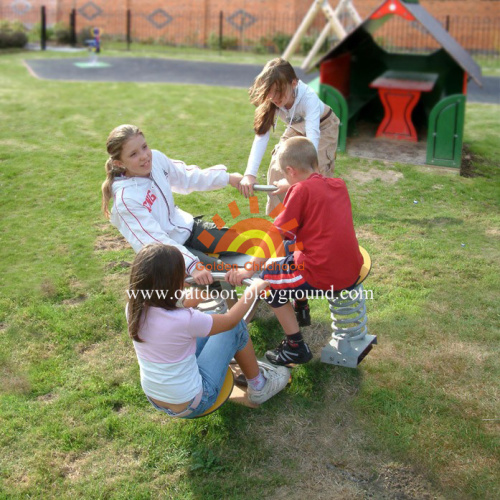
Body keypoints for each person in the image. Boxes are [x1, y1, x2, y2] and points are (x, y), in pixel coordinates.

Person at [227, 137, 363, 366]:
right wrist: (291, 186)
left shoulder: (300, 192)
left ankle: (295, 346)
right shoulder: (338, 184)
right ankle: (301, 307)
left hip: (325, 274)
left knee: (267, 279)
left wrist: (247, 270)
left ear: (289, 170)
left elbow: (275, 234)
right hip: (350, 266)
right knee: (291, 248)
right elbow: (311, 189)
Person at [127, 244, 290, 417]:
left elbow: (175, 305)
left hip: (156, 398)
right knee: (236, 327)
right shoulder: (184, 320)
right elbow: (230, 321)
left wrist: (203, 290)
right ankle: (260, 386)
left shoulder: (134, 308)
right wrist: (253, 290)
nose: (186, 278)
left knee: (212, 315)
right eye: (182, 275)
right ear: (171, 282)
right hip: (194, 402)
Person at [101, 124, 242, 287]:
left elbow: (188, 177)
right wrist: (192, 265)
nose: (144, 156)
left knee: (242, 243)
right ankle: (224, 308)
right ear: (119, 163)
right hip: (169, 255)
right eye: (133, 154)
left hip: (188, 228)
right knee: (223, 277)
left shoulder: (156, 159)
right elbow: (155, 241)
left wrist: (227, 178)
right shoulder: (126, 201)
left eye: (144, 147)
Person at [238, 58, 340, 214]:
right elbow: (261, 137)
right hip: (297, 126)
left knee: (315, 169)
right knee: (277, 163)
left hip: (322, 126)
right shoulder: (271, 99)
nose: (275, 98)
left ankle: (314, 213)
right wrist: (249, 174)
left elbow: (312, 140)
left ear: (294, 83)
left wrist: (291, 181)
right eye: (271, 92)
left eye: (279, 92)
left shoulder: (308, 97)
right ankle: (280, 216)